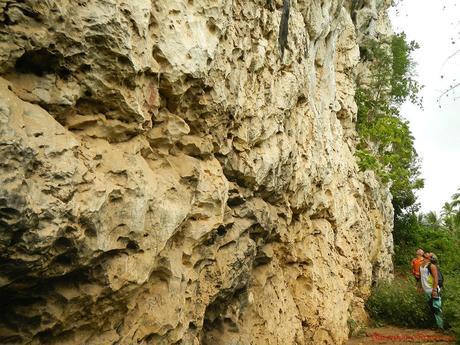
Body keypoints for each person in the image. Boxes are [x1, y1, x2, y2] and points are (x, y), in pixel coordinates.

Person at [420, 252, 444, 329]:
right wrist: (419, 287)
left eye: (429, 253)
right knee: (430, 308)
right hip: (426, 290)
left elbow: (436, 278)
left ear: (430, 258)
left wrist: (434, 290)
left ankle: (441, 327)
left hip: (432, 289)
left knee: (437, 308)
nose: (427, 253)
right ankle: (434, 325)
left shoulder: (432, 266)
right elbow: (422, 277)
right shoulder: (422, 265)